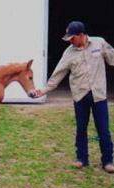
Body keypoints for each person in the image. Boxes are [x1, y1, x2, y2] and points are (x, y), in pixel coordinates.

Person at [33, 21, 114, 173]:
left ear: (81, 35)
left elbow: (112, 59)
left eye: (72, 38)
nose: (70, 41)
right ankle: (82, 158)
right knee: (81, 129)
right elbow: (58, 74)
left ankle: (108, 161)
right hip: (80, 96)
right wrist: (42, 91)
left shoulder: (100, 43)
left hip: (99, 96)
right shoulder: (69, 53)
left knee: (103, 129)